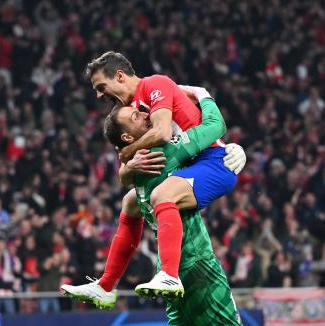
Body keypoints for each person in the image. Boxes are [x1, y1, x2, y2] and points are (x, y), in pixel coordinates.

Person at [105, 91, 242, 326]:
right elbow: (209, 131)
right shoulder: (162, 157)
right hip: (197, 263)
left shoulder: (138, 183)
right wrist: (229, 143)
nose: (143, 112)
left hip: (173, 274)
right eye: (135, 115)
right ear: (130, 139)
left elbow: (127, 199)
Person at [63, 51, 246, 307]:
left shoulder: (153, 85)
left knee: (162, 195)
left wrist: (128, 153)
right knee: (130, 203)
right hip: (186, 164)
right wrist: (130, 160)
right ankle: (105, 287)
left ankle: (169, 276)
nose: (99, 95)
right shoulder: (126, 113)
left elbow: (161, 133)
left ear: (119, 76)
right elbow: (125, 174)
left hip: (212, 159)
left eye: (101, 87)